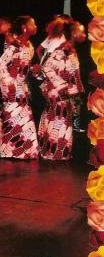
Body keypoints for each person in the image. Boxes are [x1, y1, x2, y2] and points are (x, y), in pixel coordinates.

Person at [37, 16, 84, 160]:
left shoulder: (66, 50)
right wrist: (60, 85)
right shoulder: (63, 50)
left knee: (58, 118)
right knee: (59, 119)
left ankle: (55, 152)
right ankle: (56, 153)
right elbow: (47, 67)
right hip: (58, 91)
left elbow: (73, 73)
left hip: (58, 91)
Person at [0, 16, 40, 159]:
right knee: (12, 115)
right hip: (11, 87)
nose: (36, 26)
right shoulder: (15, 46)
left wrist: (34, 70)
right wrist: (9, 82)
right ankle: (10, 150)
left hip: (22, 86)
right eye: (33, 24)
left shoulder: (29, 46)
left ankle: (24, 151)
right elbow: (0, 65)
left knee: (24, 117)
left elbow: (23, 68)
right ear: (24, 28)